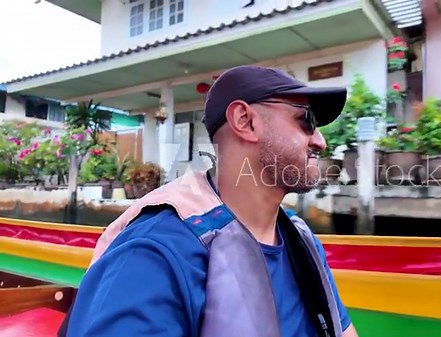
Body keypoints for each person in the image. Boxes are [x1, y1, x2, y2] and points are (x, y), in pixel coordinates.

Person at [60, 65, 360, 337]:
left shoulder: (301, 241)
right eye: (306, 121)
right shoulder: (156, 253)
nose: (320, 141)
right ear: (246, 121)